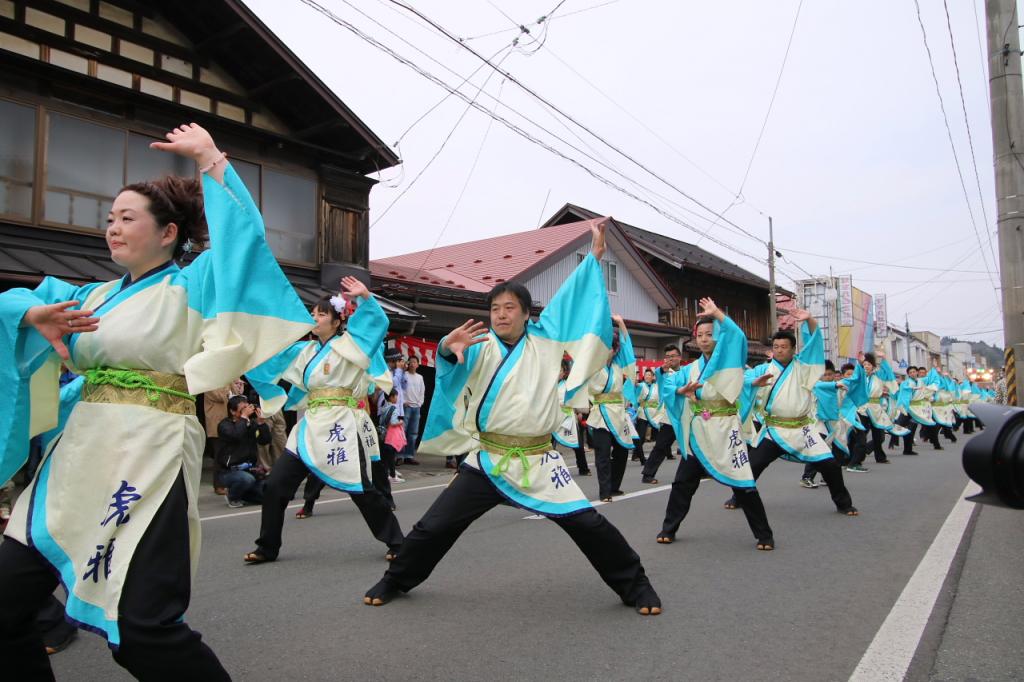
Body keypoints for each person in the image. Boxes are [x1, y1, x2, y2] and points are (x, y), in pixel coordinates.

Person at [0, 122, 312, 680]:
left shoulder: (194, 285)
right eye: (109, 219)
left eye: (127, 218)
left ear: (169, 232)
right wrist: (31, 314)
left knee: (143, 630)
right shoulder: (90, 296)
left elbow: (244, 243)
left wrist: (211, 159)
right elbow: (16, 302)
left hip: (149, 454)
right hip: (77, 458)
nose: (112, 228)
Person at [362, 220, 661, 616]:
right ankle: (396, 579)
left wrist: (594, 258)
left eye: (509, 308)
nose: (500, 315)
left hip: (538, 460)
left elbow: (570, 299)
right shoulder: (480, 345)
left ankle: (636, 585)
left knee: (588, 524)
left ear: (525, 313)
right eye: (494, 309)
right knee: (435, 526)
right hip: (488, 459)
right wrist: (448, 349)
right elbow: (452, 365)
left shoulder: (547, 339)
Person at [244, 283, 404, 564]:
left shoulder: (351, 345)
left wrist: (365, 298)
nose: (314, 318)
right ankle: (267, 547)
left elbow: (375, 325)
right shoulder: (303, 350)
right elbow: (268, 359)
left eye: (320, 314)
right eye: (312, 314)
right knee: (275, 485)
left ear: (337, 320)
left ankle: (398, 542)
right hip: (310, 424)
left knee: (361, 488)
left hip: (340, 423)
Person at [655, 299, 776, 550]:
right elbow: (669, 384)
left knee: (743, 483)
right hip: (699, 431)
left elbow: (738, 342)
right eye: (700, 335)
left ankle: (764, 534)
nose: (704, 339)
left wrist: (718, 314)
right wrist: (679, 390)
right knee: (682, 482)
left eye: (709, 334)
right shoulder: (690, 369)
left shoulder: (731, 362)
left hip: (725, 429)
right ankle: (668, 528)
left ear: (719, 336)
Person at [728, 310, 859, 517]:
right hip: (774, 430)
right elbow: (742, 380)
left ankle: (844, 504)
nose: (779, 350)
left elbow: (814, 345)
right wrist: (753, 383)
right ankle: (739, 498)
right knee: (753, 465)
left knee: (830, 465)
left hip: (802, 429)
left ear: (793, 349)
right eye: (776, 347)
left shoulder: (803, 367)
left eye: (784, 347)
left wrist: (810, 320)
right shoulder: (763, 369)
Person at [585, 314, 636, 502]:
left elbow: (627, 348)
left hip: (618, 414)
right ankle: (604, 491)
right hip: (599, 415)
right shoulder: (592, 365)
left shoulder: (618, 365)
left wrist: (621, 323)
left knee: (622, 452)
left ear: (615, 350)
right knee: (603, 454)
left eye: (609, 347)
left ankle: (614, 487)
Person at [639, 345, 685, 483]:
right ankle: (648, 474)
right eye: (668, 356)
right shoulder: (664, 373)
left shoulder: (687, 372)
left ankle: (703, 471)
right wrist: (662, 369)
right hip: (670, 415)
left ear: (680, 357)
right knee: (661, 445)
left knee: (695, 445)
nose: (670, 359)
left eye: (673, 356)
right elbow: (658, 373)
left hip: (686, 414)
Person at [216, 395, 271, 507]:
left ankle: (244, 494)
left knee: (268, 494)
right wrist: (244, 418)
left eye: (248, 407)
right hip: (229, 471)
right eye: (243, 409)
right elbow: (236, 435)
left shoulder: (251, 424)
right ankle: (232, 497)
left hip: (250, 469)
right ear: (232, 411)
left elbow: (264, 441)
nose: (247, 411)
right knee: (246, 479)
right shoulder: (224, 425)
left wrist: (261, 423)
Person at [552, 360, 591, 475]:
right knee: (548, 444)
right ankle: (547, 469)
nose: (558, 373)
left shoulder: (568, 385)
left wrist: (579, 412)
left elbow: (576, 399)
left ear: (564, 372)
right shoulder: (549, 385)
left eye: (560, 370)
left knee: (578, 444)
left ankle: (583, 468)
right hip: (553, 417)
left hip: (568, 417)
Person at [633, 368, 662, 463]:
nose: (647, 376)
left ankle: (666, 453)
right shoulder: (641, 385)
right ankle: (640, 457)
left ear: (653, 377)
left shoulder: (656, 386)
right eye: (646, 375)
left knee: (662, 434)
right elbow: (636, 385)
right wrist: (634, 380)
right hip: (643, 413)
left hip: (654, 414)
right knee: (641, 437)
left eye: (649, 375)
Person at [402, 355, 425, 463]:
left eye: (414, 362)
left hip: (416, 408)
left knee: (413, 433)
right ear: (408, 364)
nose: (412, 364)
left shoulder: (420, 377)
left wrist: (420, 403)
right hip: (406, 407)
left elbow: (422, 392)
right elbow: (399, 389)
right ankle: (400, 456)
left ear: (418, 365)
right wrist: (403, 402)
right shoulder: (404, 375)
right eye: (410, 362)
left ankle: (409, 456)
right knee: (402, 431)